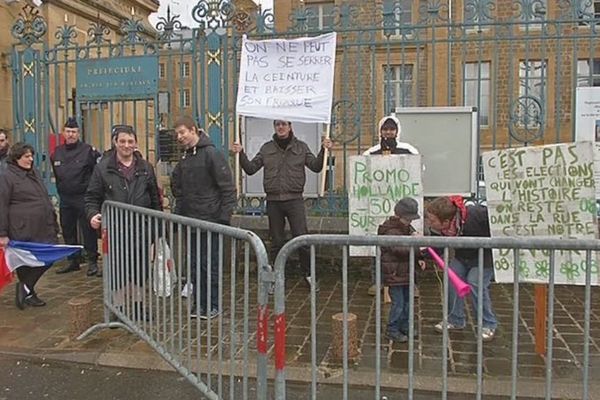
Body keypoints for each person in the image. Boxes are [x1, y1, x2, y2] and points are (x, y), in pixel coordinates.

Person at [231, 120, 333, 290]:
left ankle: (308, 274)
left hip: (294, 200)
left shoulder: (301, 147)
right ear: (274, 127)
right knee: (276, 241)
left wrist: (324, 150)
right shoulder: (266, 148)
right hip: (274, 201)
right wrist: (240, 153)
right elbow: (250, 168)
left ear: (290, 126)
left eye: (284, 124)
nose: (280, 127)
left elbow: (316, 166)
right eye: (277, 124)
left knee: (302, 238)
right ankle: (276, 277)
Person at [85, 125, 162, 315]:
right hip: (115, 229)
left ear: (135, 143)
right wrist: (92, 214)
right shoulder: (103, 168)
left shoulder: (146, 168)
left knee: (140, 269)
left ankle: (137, 306)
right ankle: (118, 308)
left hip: (141, 229)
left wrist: (157, 231)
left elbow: (155, 199)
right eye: (122, 141)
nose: (126, 145)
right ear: (115, 142)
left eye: (130, 141)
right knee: (117, 270)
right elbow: (91, 197)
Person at [171, 116, 236, 319]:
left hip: (211, 220)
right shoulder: (185, 157)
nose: (180, 137)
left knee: (210, 265)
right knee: (195, 265)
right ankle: (199, 304)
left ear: (194, 130)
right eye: (178, 134)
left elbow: (227, 187)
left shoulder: (211, 154)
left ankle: (213, 305)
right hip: (191, 219)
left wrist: (224, 217)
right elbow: (177, 186)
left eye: (183, 132)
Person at [425, 196, 497, 341]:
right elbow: (436, 248)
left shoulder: (477, 215)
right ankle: (455, 319)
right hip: (462, 257)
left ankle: (488, 323)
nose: (429, 223)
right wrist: (421, 251)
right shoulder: (440, 228)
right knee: (451, 277)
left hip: (485, 257)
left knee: (475, 282)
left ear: (445, 221)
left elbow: (498, 222)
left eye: (432, 220)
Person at [365, 115, 420, 296]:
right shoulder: (370, 153)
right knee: (379, 244)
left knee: (405, 245)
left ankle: (411, 283)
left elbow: (418, 171)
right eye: (385, 129)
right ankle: (378, 281)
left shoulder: (408, 150)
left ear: (397, 131)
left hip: (401, 207)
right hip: (377, 204)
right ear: (380, 131)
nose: (388, 132)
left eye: (391, 129)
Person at [0, 142, 59, 309]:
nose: (30, 159)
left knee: (49, 256)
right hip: (22, 227)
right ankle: (27, 290)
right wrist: (2, 233)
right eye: (26, 156)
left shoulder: (33, 172)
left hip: (43, 225)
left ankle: (26, 289)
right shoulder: (6, 177)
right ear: (16, 157)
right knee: (27, 261)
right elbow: (1, 205)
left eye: (31, 156)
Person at [52, 118, 101, 276]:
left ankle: (92, 261)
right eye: (68, 131)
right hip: (65, 198)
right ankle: (73, 261)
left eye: (74, 132)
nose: (71, 134)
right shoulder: (57, 152)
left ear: (78, 133)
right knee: (68, 229)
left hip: (83, 197)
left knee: (88, 230)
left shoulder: (88, 151)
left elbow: (97, 172)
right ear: (63, 133)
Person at [378, 197, 424, 343]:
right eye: (407, 219)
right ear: (399, 215)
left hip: (407, 273)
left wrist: (419, 258)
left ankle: (405, 325)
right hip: (395, 274)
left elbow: (410, 249)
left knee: (408, 301)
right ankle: (392, 329)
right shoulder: (390, 230)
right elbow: (400, 249)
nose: (410, 222)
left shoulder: (407, 228)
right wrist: (417, 246)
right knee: (398, 303)